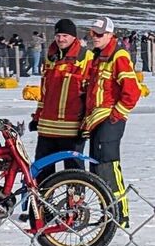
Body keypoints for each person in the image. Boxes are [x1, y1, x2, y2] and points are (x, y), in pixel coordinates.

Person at [82, 16, 141, 229]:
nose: (94, 38)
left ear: (110, 35)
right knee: (97, 168)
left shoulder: (119, 55)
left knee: (109, 166)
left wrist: (116, 115)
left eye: (99, 34)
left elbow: (132, 91)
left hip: (109, 120)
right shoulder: (98, 57)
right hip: (95, 120)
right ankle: (107, 211)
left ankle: (120, 214)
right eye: (92, 33)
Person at [29, 19, 93, 184]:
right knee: (42, 173)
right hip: (47, 128)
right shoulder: (51, 58)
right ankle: (41, 208)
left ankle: (76, 208)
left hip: (72, 128)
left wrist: (87, 123)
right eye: (58, 35)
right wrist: (37, 117)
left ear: (73, 37)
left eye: (65, 35)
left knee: (74, 174)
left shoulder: (86, 57)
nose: (61, 39)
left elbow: (91, 95)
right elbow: (45, 93)